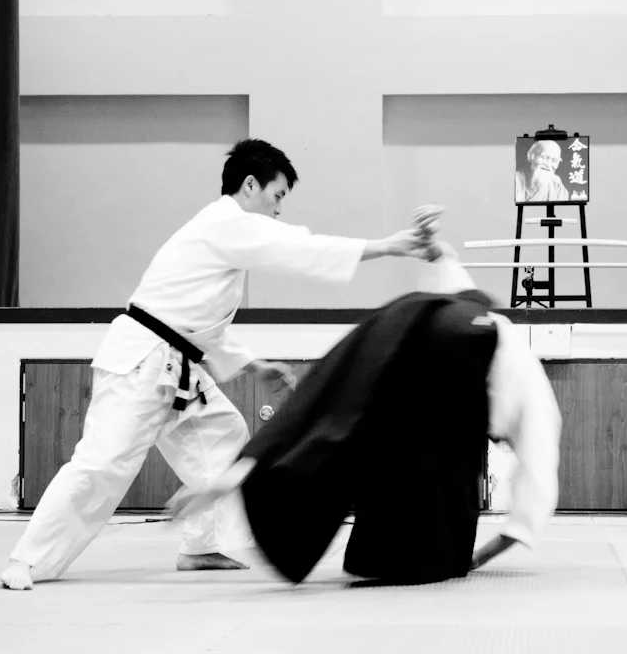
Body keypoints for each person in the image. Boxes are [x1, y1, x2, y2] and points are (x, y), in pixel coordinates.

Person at [0, 139, 441, 590]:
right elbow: (300, 248)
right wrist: (390, 246)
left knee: (223, 435)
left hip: (174, 365)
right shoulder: (226, 223)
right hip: (143, 362)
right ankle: (29, 560)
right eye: (277, 195)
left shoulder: (221, 234)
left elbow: (198, 322)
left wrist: (254, 365)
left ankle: (201, 546)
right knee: (103, 464)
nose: (278, 209)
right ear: (250, 185)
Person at [167, 241, 562, 583]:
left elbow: (455, 282)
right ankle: (407, 557)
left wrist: (440, 254)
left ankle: (246, 469)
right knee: (439, 469)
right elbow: (538, 472)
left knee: (336, 413)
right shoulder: (526, 385)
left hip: (404, 319)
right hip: (452, 353)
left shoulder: (473, 316)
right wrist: (485, 553)